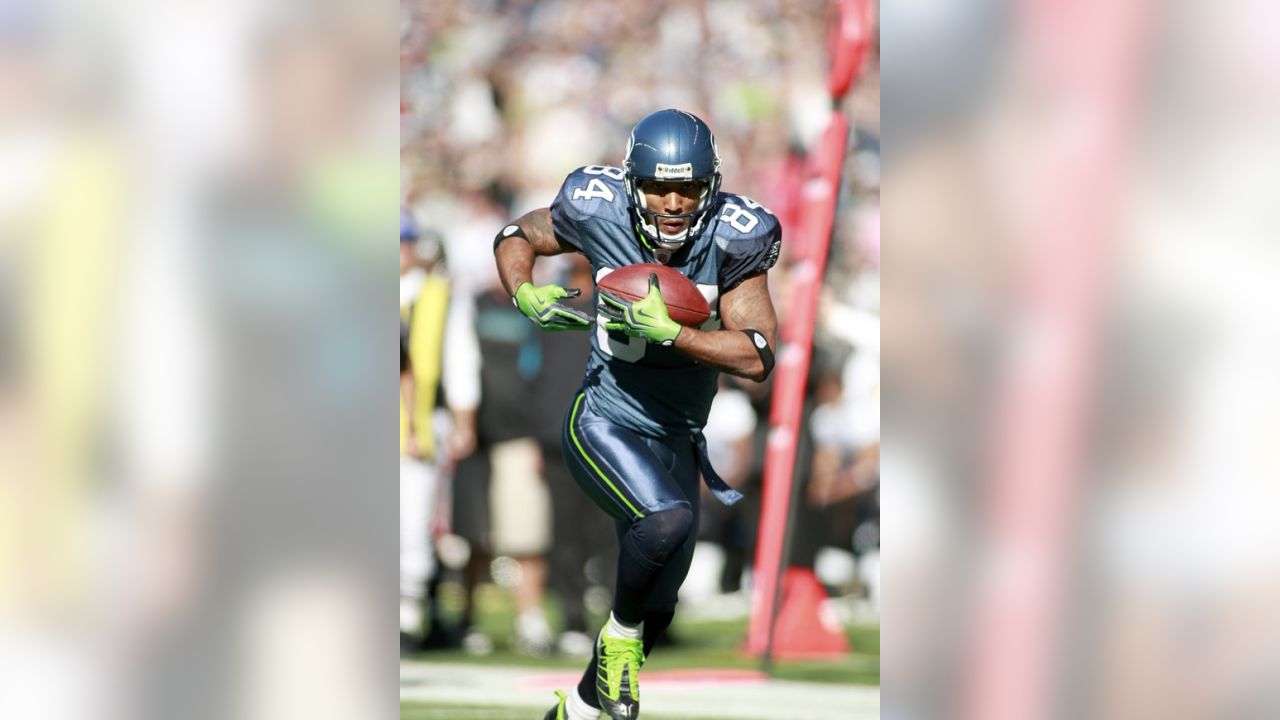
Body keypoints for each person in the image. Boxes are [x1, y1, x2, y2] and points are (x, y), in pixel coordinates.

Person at [493, 109, 781, 720]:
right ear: (631, 184)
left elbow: (756, 355)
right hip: (604, 418)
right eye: (658, 187)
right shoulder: (596, 207)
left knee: (661, 602)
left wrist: (676, 335)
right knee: (667, 520)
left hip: (678, 434)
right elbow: (516, 235)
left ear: (712, 185)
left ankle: (574, 709)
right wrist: (523, 290)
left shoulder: (736, 234)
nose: (673, 202)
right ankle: (617, 638)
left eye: (688, 188)